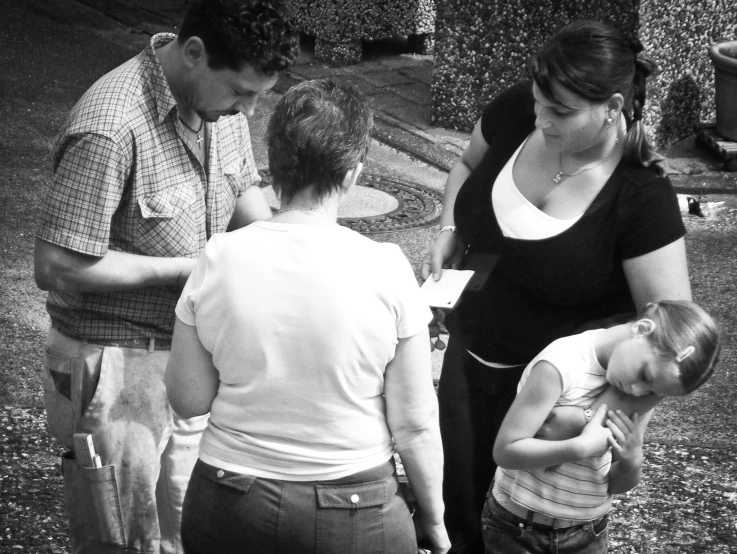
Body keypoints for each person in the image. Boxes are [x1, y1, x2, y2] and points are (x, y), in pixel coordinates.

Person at [33, 1, 299, 552]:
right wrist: (187, 270)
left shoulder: (217, 108)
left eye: (258, 96)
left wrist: (288, 247)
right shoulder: (111, 125)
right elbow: (55, 264)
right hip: (111, 363)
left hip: (186, 359)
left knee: (187, 532)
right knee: (124, 539)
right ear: (194, 53)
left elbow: (245, 189)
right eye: (241, 92)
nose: (249, 111)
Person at [420, 20, 692, 553]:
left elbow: (675, 340)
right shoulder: (524, 106)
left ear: (613, 106)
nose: (541, 117)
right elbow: (466, 162)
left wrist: (601, 419)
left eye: (561, 112)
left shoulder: (640, 197)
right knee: (460, 521)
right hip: (467, 363)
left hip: (554, 409)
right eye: (540, 100)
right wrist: (450, 228)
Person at [165, 79, 451, 554]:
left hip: (229, 500)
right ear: (353, 175)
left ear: (272, 165)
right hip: (355, 509)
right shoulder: (386, 267)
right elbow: (416, 425)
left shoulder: (219, 257)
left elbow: (189, 398)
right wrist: (436, 523)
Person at [486, 300, 721, 553]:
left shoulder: (642, 390)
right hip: (518, 526)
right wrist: (578, 448)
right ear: (641, 329)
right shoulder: (561, 365)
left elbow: (614, 485)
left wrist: (632, 461)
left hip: (589, 530)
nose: (637, 391)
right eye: (645, 376)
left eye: (653, 392)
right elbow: (505, 452)